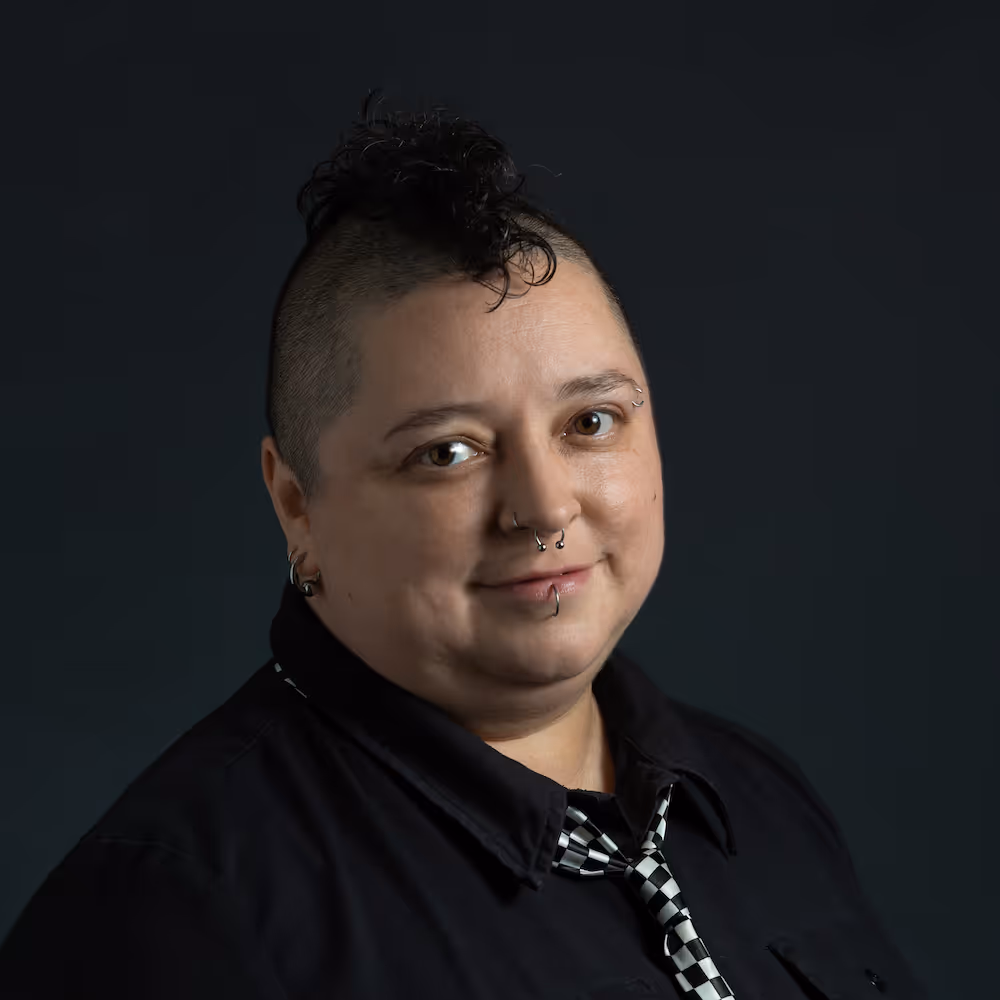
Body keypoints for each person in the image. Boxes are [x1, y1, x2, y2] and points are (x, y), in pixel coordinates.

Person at [0, 89, 929, 999]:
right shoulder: (183, 912)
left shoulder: (757, 797)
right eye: (448, 452)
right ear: (297, 504)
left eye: (591, 421)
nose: (542, 506)